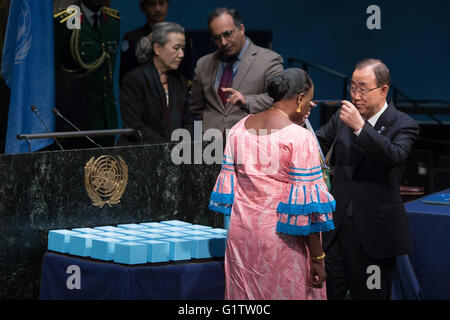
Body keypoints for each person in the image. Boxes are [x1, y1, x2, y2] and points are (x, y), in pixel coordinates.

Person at [209, 68, 336, 300]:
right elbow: (308, 207)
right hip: (281, 241)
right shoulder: (299, 138)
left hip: (241, 238)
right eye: (309, 100)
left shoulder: (239, 129)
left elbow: (232, 187)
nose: (310, 106)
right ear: (299, 99)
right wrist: (317, 259)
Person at [315, 59, 420, 300]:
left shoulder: (404, 124)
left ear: (383, 90)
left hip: (375, 236)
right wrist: (300, 123)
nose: (355, 95)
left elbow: (394, 155)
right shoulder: (341, 120)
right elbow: (316, 144)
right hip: (336, 232)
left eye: (362, 88)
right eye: (352, 88)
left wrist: (361, 127)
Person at [190, 7, 284, 135]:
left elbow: (278, 99)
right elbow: (196, 107)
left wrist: (247, 101)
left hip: (250, 140)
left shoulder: (269, 60)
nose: (223, 42)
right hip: (211, 145)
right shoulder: (203, 64)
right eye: (217, 38)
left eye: (228, 34)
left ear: (241, 29)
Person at [53, 0, 120, 149]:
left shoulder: (113, 21)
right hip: (76, 118)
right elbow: (56, 70)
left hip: (106, 118)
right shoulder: (67, 20)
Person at [118, 22, 193, 145]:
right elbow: (134, 124)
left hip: (176, 155)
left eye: (183, 48)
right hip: (143, 154)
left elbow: (187, 121)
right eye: (176, 48)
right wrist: (165, 148)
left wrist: (179, 148)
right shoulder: (134, 79)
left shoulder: (180, 81)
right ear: (158, 48)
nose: (181, 54)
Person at [119, 0, 193, 86]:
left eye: (161, 3)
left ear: (167, 4)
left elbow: (187, 73)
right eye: (152, 4)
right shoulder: (132, 38)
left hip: (176, 93)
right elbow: (126, 77)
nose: (158, 9)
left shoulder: (181, 35)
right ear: (143, 8)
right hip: (142, 93)